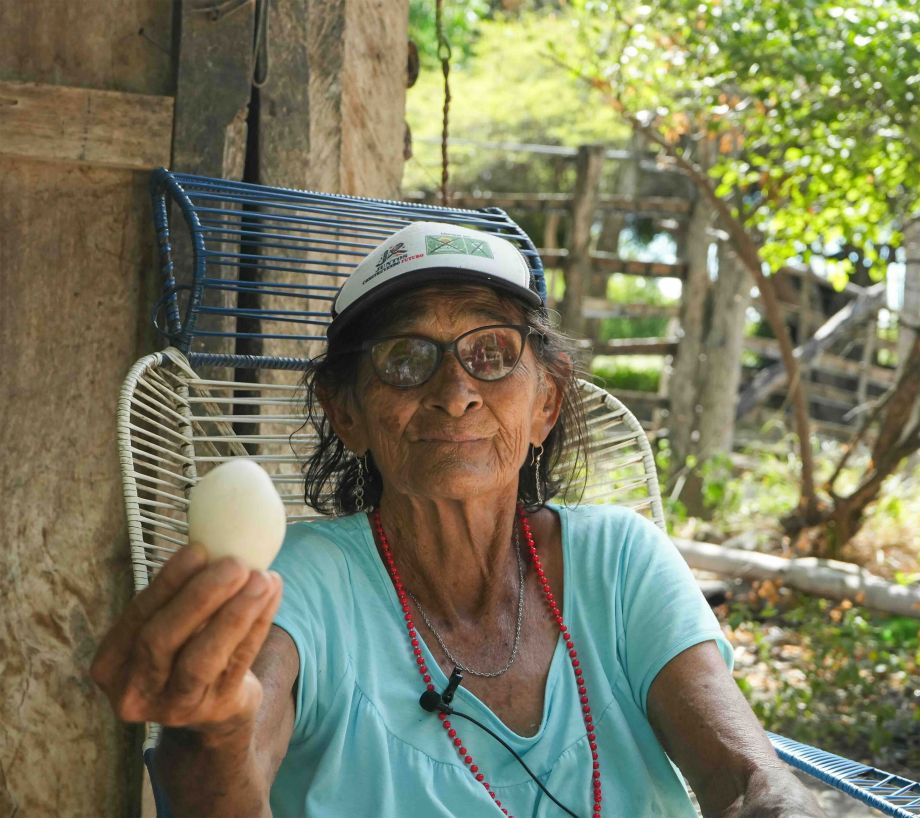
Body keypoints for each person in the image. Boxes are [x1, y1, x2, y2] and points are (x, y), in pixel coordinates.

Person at [92, 221, 826, 818]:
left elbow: (745, 779)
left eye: (491, 353)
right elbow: (227, 780)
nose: (455, 392)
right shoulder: (302, 584)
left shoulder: (620, 560)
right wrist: (212, 734)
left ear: (546, 402)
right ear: (345, 412)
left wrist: (783, 803)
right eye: (406, 359)